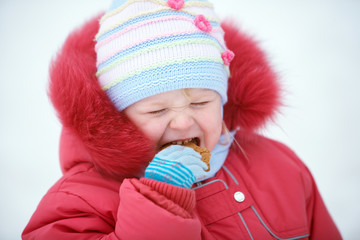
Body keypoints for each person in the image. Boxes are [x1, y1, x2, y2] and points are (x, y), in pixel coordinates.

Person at [22, 0, 342, 239]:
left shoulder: (278, 166)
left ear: (223, 99)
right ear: (118, 115)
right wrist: (159, 205)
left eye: (201, 102)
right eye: (157, 110)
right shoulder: (78, 201)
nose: (182, 123)